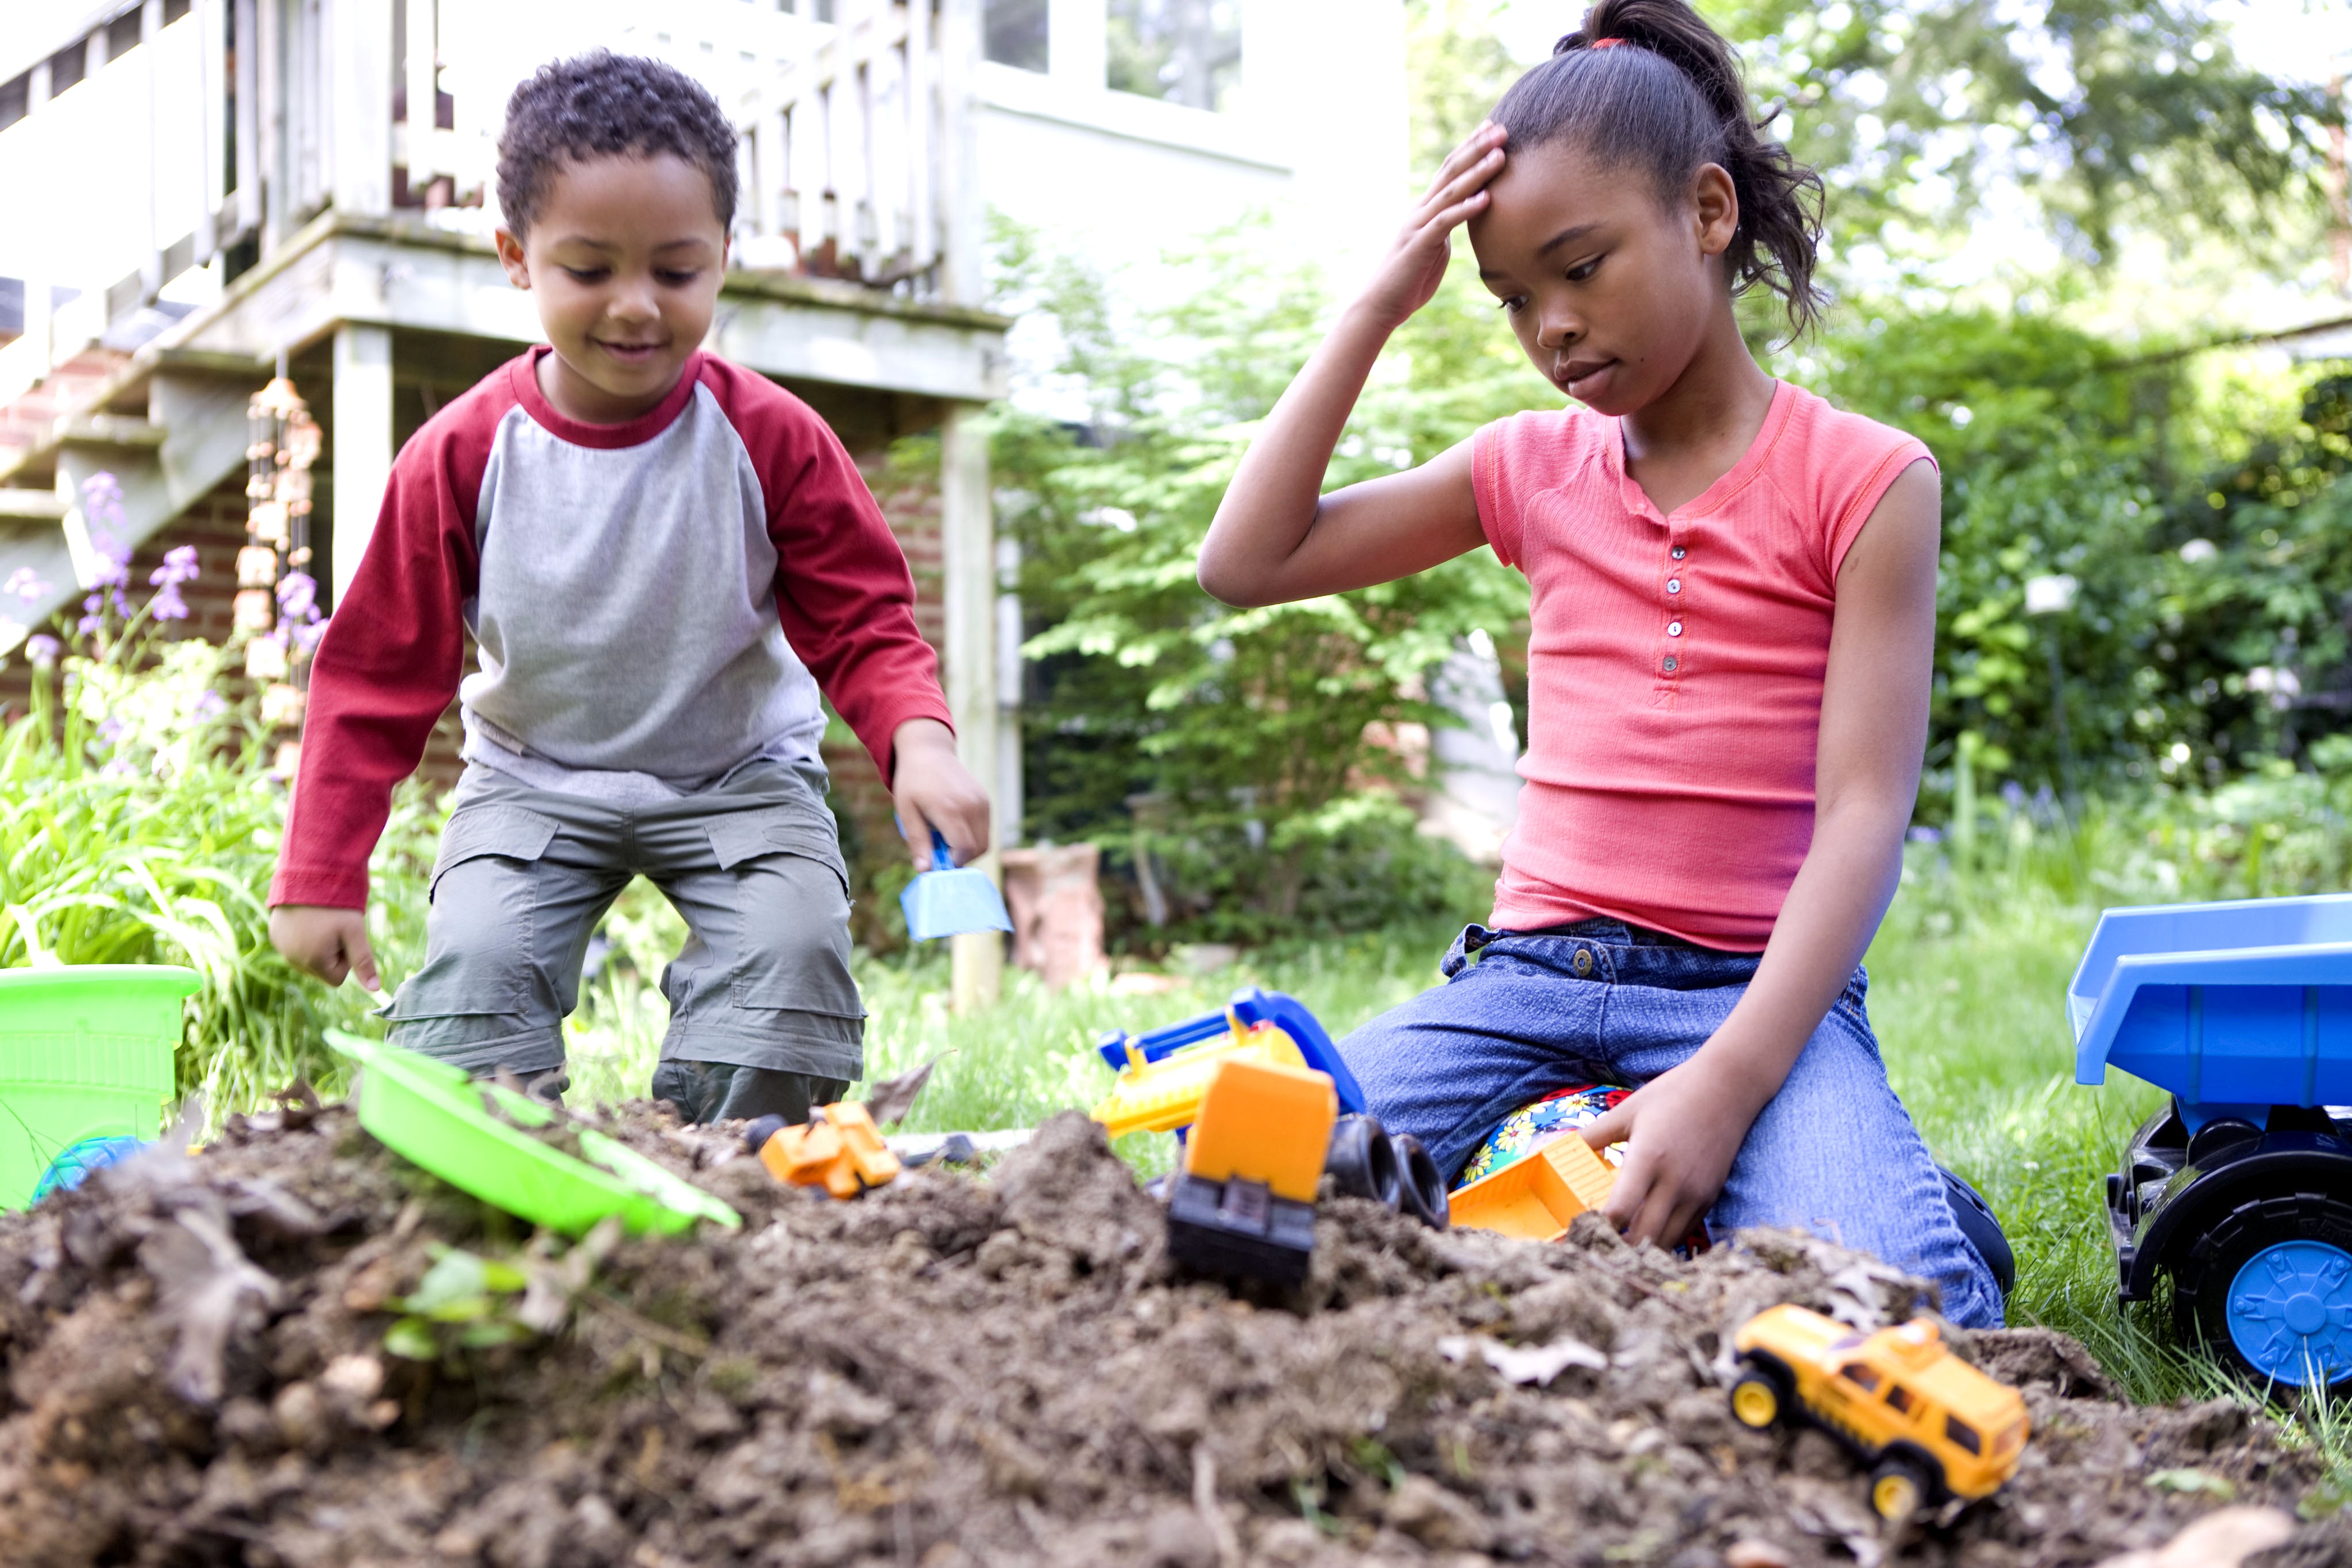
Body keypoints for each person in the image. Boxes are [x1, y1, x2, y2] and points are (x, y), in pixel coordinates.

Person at [1197, 0, 2001, 1325]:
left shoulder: (1868, 481)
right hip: (1526, 985)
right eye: (1516, 299)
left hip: (1751, 999)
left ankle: (1856, 1175)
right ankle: (1643, 1168)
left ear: (1706, 211)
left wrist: (1733, 1080)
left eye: (1582, 268)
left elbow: (1866, 816)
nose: (1552, 328)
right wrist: (1374, 309)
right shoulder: (1529, 469)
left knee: (1902, 1310)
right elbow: (1248, 561)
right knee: (1233, 1181)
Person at [266, 52, 989, 1126]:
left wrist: (918, 740)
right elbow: (376, 672)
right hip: (534, 781)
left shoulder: (773, 437)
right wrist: (321, 871)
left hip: (739, 775)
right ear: (518, 257)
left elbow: (864, 620)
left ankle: (722, 1160)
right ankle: (509, 1167)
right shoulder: (461, 455)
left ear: (724, 261)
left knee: (788, 981)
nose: (637, 307)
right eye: (591, 270)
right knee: (472, 1004)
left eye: (677, 271)